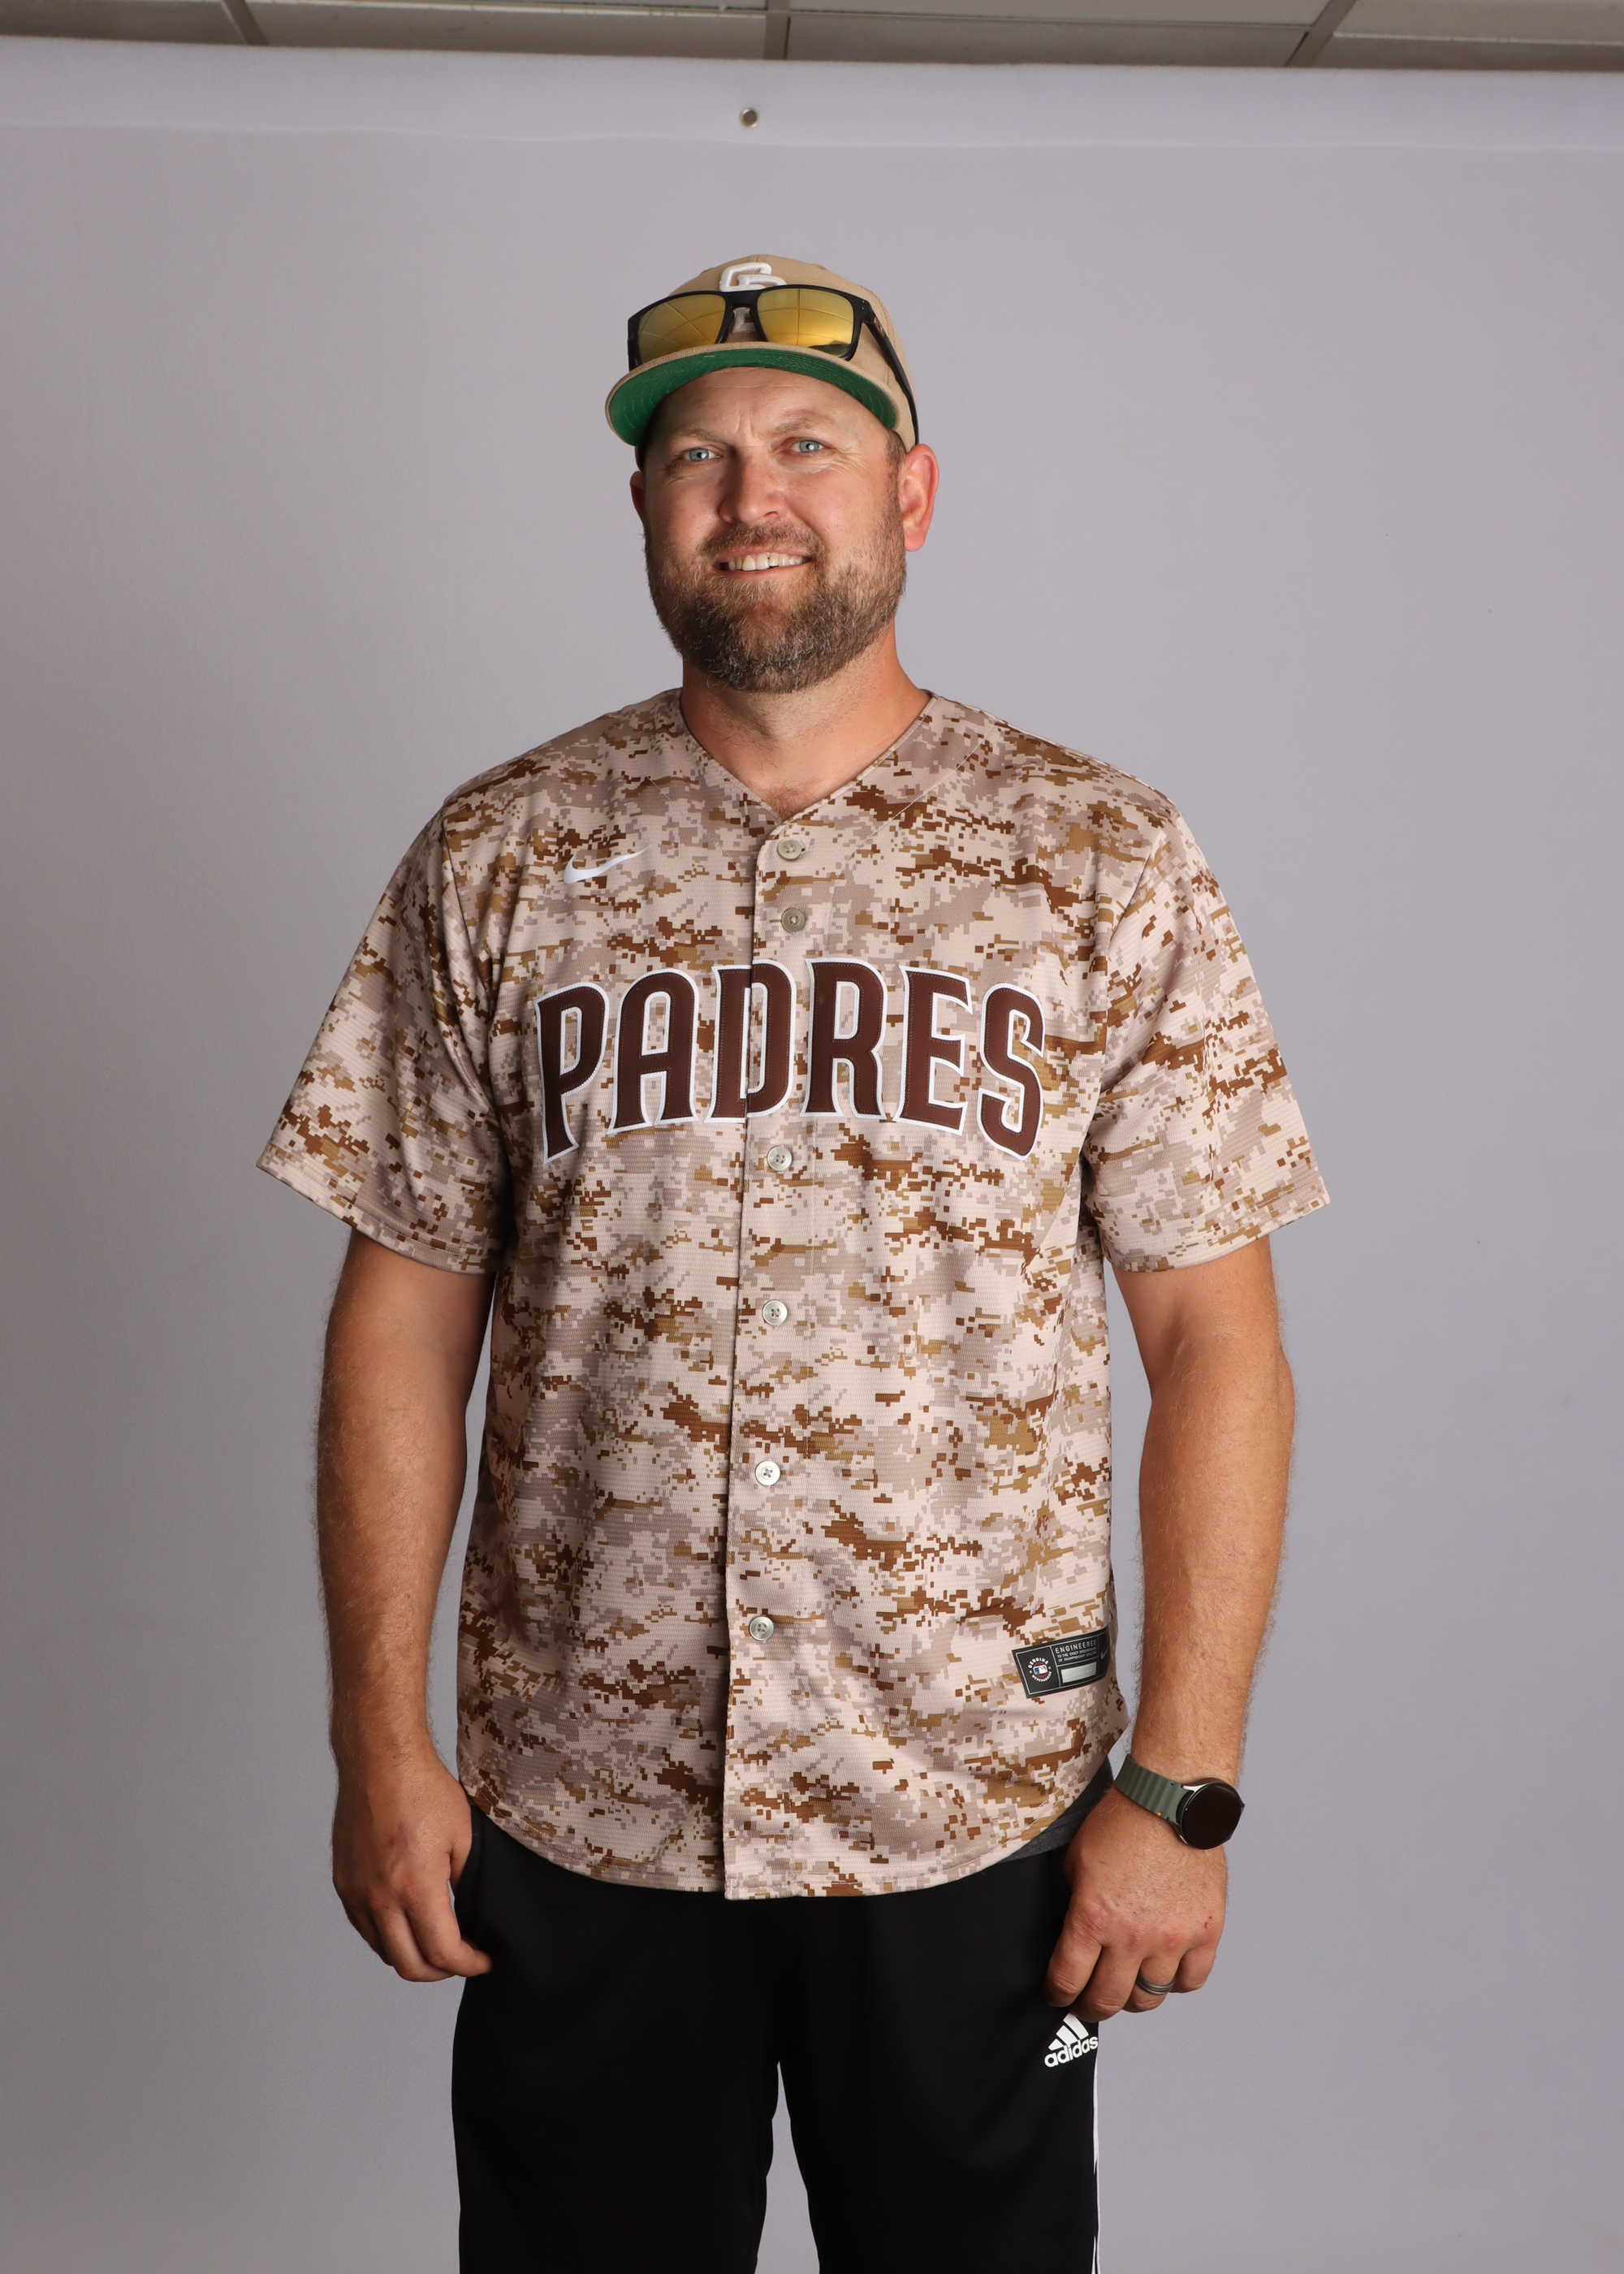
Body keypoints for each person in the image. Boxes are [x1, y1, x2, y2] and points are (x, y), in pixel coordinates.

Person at [260, 254, 1327, 2272]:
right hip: (578, 1805)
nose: (752, 497)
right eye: (698, 457)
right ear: (644, 507)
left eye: (809, 446)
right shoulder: (499, 854)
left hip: (978, 1814)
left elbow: (1218, 1343)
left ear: (911, 491)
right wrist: (375, 1742)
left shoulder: (1098, 856)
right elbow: (396, 1325)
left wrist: (1181, 1788)